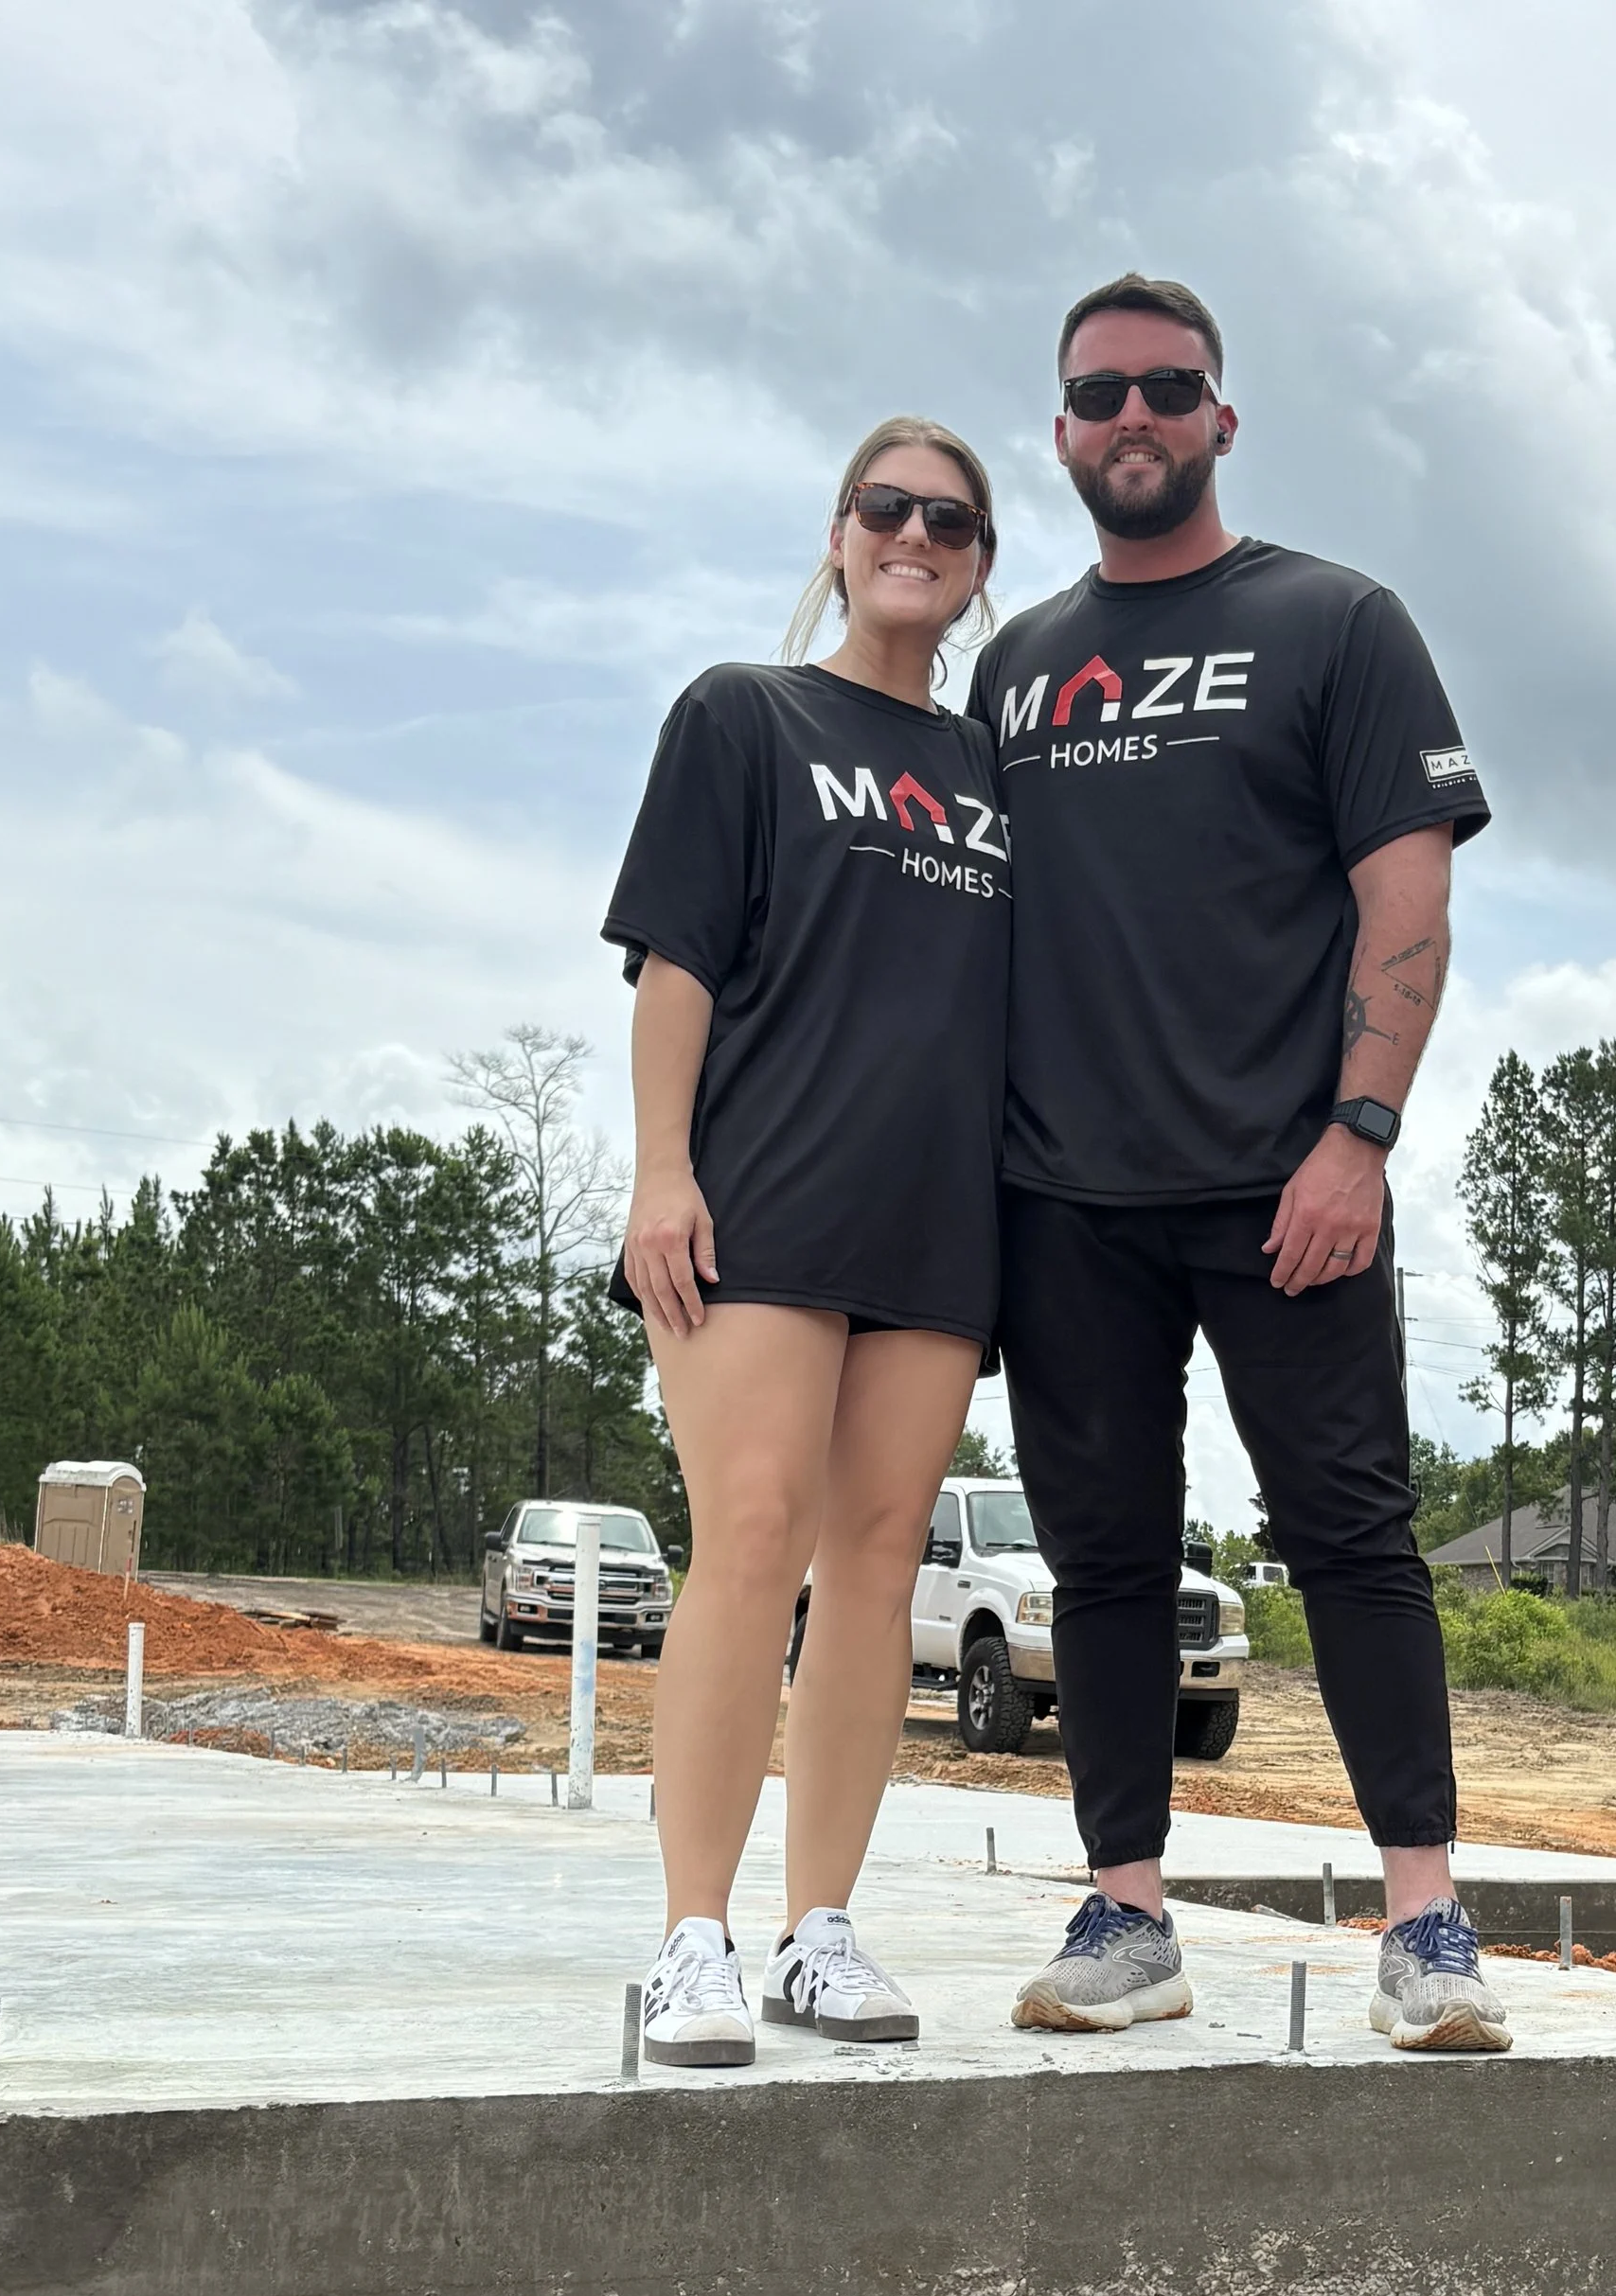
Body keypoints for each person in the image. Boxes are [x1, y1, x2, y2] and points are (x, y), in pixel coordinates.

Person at [969, 274, 1510, 2056]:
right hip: (1064, 1201)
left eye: (1168, 389)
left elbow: (1406, 896)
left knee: (1353, 1540)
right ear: (1062, 433)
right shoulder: (1018, 666)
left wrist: (1358, 1137)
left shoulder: (1338, 623)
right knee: (1101, 1563)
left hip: (1291, 1188)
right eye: (1099, 395)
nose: (1134, 418)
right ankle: (1128, 1914)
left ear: (1221, 416)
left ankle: (1424, 1927)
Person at [607, 418, 1007, 2065]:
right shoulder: (742, 715)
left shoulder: (997, 777)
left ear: (982, 570)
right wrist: (658, 1171)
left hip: (936, 1218)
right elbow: (677, 964)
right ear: (838, 533)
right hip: (759, 1197)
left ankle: (818, 1930)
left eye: (951, 519)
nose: (915, 532)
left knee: (881, 1557)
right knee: (754, 1530)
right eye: (885, 506)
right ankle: (691, 1939)